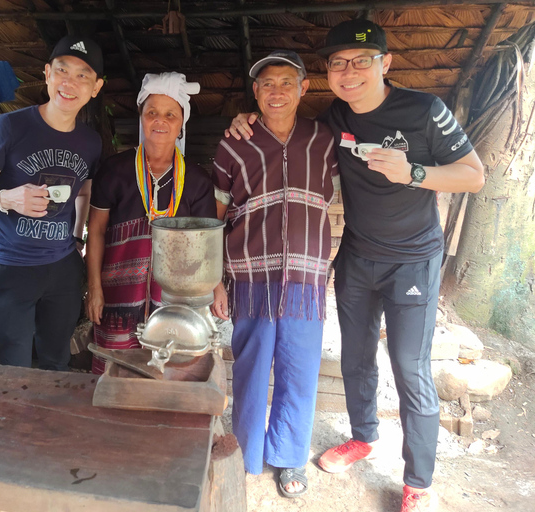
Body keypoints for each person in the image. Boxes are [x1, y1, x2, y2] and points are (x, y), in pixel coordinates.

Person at [225, 19, 485, 512]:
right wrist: (245, 117)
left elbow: (474, 176)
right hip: (358, 257)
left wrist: (415, 172)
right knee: (356, 357)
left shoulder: (425, 109)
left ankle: (418, 482)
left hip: (413, 259)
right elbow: (281, 123)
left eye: (361, 61)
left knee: (410, 369)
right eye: (338, 63)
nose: (349, 71)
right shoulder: (333, 117)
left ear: (385, 64)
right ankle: (363, 437)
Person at [210, 50, 338, 498]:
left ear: (304, 88)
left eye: (287, 82)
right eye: (267, 83)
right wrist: (214, 280)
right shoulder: (233, 144)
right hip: (249, 279)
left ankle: (288, 458)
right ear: (255, 92)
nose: (277, 90)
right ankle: (247, 452)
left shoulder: (325, 139)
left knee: (299, 370)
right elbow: (215, 215)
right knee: (250, 368)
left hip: (306, 281)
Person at [0, 35, 105, 371]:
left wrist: (78, 236)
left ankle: (48, 423)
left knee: (56, 360)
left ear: (95, 88)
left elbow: (85, 193)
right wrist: (5, 198)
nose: (70, 83)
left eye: (83, 76)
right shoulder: (10, 127)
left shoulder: (91, 142)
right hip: (9, 264)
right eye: (63, 71)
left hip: (63, 267)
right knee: (12, 365)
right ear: (47, 74)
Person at [85, 72, 217, 374]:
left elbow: (204, 250)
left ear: (181, 124)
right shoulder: (115, 170)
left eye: (170, 114)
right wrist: (94, 289)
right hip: (116, 300)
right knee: (113, 375)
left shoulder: (196, 180)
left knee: (170, 375)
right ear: (141, 119)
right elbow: (96, 231)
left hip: (174, 304)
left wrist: (208, 298)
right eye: (152, 112)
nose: (160, 120)